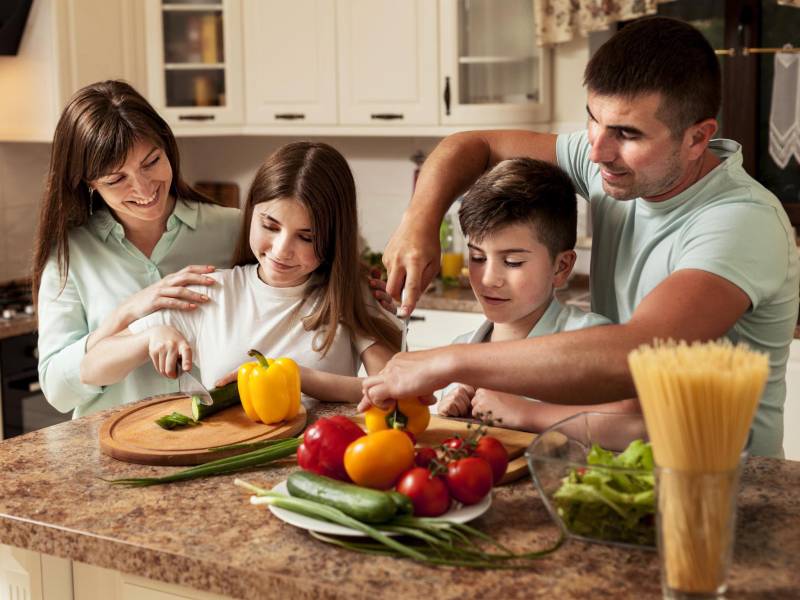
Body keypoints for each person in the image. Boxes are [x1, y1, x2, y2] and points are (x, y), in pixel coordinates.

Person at [361, 16, 800, 457]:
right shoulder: (612, 162)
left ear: (698, 137)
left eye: (627, 133)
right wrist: (418, 220)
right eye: (593, 120)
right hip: (628, 471)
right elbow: (472, 144)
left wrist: (445, 363)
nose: (597, 152)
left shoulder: (740, 220)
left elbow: (638, 354)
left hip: (728, 487)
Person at [80, 142, 401, 404]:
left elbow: (392, 389)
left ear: (334, 239)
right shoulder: (211, 291)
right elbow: (92, 369)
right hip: (226, 470)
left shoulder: (351, 294)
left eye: (307, 237)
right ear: (250, 214)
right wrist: (150, 336)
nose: (280, 250)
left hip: (319, 463)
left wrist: (298, 378)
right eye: (270, 226)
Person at [34, 80, 241, 419]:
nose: (144, 188)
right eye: (117, 179)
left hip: (221, 441)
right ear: (89, 183)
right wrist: (128, 314)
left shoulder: (233, 230)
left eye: (151, 162)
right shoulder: (71, 255)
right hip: (114, 454)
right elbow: (58, 389)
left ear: (167, 147)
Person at [437, 157, 638, 431]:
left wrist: (528, 412)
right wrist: (448, 412)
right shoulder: (457, 353)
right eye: (477, 257)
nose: (488, 279)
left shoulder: (590, 339)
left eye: (513, 262)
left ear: (562, 266)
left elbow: (637, 424)